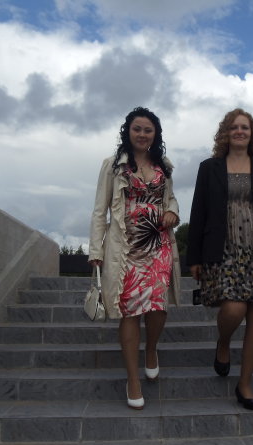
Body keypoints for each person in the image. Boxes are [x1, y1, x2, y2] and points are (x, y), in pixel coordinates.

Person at [186, 108, 253, 411]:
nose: (240, 131)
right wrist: (194, 257)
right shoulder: (210, 168)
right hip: (224, 248)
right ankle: (223, 342)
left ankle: (244, 384)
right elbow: (199, 211)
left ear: (252, 133)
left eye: (244, 127)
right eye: (234, 127)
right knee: (233, 308)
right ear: (225, 133)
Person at [89, 107, 181, 410]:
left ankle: (151, 348)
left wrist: (172, 211)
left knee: (158, 308)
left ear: (156, 135)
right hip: (125, 248)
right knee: (129, 312)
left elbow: (170, 198)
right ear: (127, 132)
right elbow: (99, 210)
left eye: (148, 130)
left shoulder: (164, 165)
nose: (142, 134)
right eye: (137, 129)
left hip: (158, 244)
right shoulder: (113, 165)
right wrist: (95, 252)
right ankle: (132, 379)